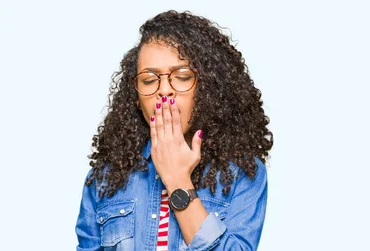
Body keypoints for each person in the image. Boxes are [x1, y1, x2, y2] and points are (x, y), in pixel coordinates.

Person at [75, 10, 274, 251]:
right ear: (136, 96)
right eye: (149, 80)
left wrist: (178, 181)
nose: (165, 90)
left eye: (181, 77)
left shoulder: (242, 175)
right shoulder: (105, 179)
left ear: (207, 88)